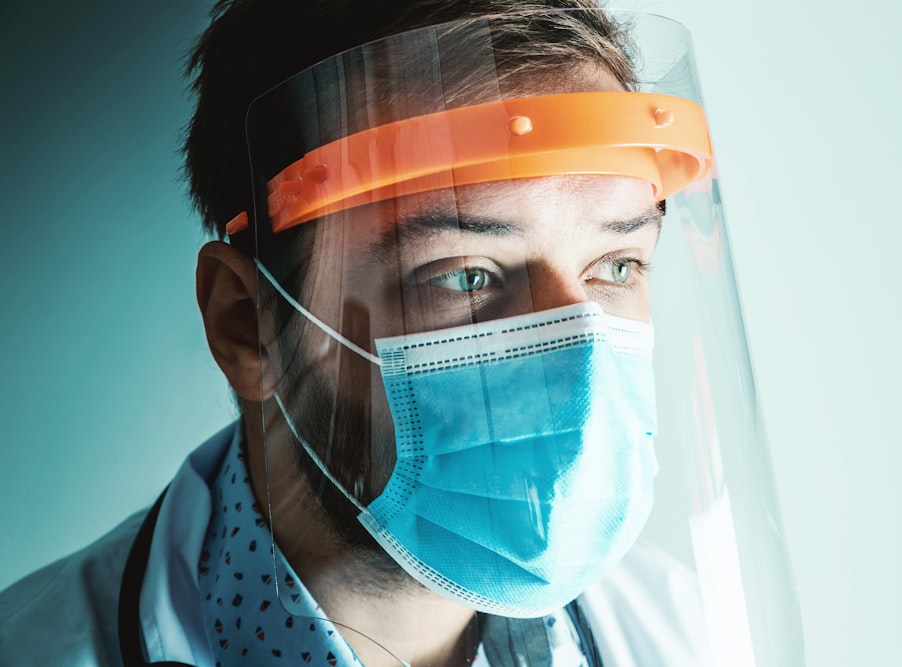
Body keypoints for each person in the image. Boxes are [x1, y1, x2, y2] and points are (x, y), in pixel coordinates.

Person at [0, 1, 804, 665]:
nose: (578, 352)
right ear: (247, 324)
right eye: (466, 274)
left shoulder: (685, 634)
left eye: (617, 266)